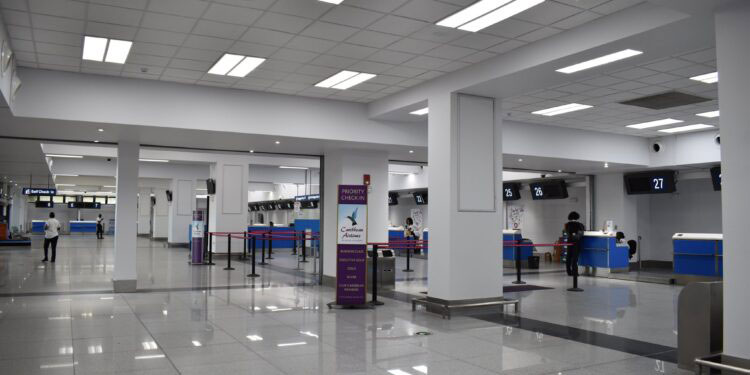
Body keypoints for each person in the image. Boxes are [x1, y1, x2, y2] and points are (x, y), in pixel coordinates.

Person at [563, 211, 585, 277]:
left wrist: (572, 234)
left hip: (569, 242)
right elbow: (581, 233)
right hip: (576, 243)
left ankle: (569, 271)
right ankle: (575, 272)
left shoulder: (567, 224)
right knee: (575, 258)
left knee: (568, 257)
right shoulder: (580, 225)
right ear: (577, 217)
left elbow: (567, 233)